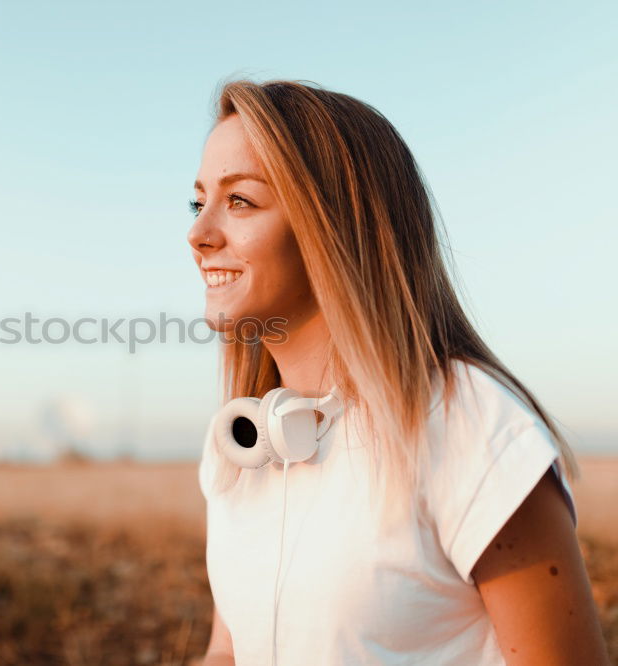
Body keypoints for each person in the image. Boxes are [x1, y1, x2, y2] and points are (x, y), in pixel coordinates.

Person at [187, 78, 609, 665]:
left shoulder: (467, 424)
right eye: (197, 201)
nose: (198, 234)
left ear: (334, 221)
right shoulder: (241, 444)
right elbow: (226, 654)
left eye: (240, 201)